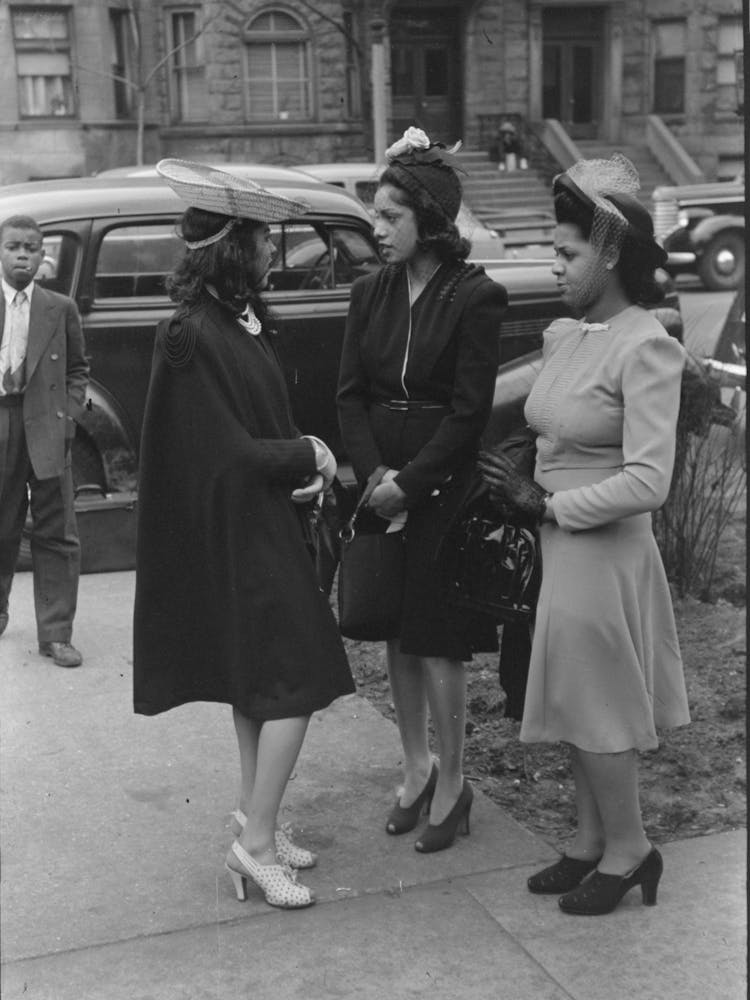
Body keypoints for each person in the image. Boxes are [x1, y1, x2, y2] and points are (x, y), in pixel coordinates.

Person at [133, 160, 355, 910]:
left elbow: (254, 427)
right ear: (233, 248)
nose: (271, 251)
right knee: (297, 678)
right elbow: (220, 454)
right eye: (262, 239)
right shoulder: (190, 335)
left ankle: (259, 819)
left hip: (262, 522)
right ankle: (254, 846)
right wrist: (311, 454)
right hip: (238, 537)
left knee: (263, 681)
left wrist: (300, 464)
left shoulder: (235, 320)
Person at [477, 153, 690, 915]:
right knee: (570, 696)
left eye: (567, 253)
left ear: (610, 255)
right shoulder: (571, 336)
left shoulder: (646, 345)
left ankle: (633, 848)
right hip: (556, 547)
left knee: (598, 706)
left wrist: (545, 504)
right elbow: (542, 422)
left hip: (601, 551)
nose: (554, 265)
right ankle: (592, 838)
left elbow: (649, 482)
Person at [337, 127, 508, 853]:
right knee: (394, 635)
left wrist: (410, 484)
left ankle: (454, 781)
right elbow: (349, 396)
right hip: (382, 483)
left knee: (437, 641)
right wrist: (376, 476)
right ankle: (414, 767)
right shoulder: (368, 292)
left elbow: (470, 413)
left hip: (440, 487)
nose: (376, 229)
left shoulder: (477, 296)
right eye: (374, 215)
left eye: (389, 217)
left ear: (430, 219)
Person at [0, 215, 89, 667]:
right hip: (1, 421)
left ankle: (55, 633)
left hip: (47, 424)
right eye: (13, 246)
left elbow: (78, 370)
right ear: (0, 252)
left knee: (56, 530)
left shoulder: (59, 307)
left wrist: (69, 419)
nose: (22, 255)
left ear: (42, 256)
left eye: (31, 248)